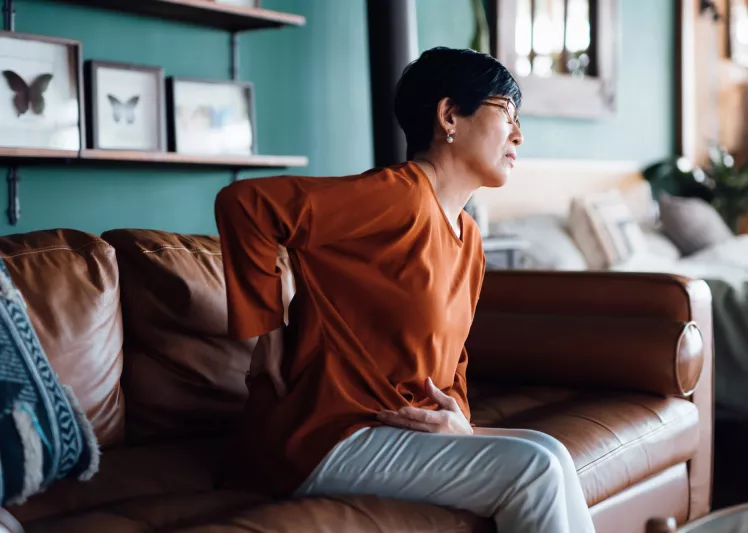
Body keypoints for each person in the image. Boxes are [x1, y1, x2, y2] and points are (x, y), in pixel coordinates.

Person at [214, 46, 596, 533]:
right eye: (507, 112)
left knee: (551, 452)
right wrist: (267, 332)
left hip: (397, 435)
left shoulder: (469, 238)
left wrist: (461, 421)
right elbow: (245, 205)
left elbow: (452, 359)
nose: (519, 135)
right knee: (534, 468)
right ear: (449, 114)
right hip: (329, 435)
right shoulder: (400, 196)